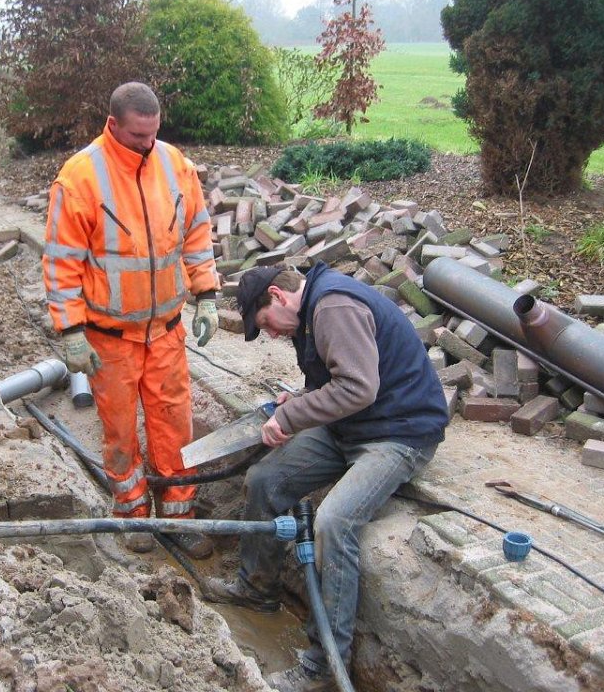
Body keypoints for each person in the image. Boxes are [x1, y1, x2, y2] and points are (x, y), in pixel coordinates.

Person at [207, 262, 449, 692]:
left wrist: (292, 414)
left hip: (398, 434)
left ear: (278, 299)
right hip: (352, 428)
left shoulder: (334, 306)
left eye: (265, 324)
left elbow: (358, 388)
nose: (272, 335)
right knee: (265, 481)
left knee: (334, 523)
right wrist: (299, 398)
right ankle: (256, 588)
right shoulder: (311, 312)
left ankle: (324, 663)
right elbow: (337, 383)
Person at [42, 82, 220, 559]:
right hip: (110, 339)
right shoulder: (80, 178)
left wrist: (206, 295)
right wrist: (71, 330)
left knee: (174, 427)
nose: (148, 145)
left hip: (165, 330)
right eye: (138, 136)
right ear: (113, 123)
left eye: (154, 134)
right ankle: (132, 513)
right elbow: (61, 262)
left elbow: (197, 233)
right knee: (119, 431)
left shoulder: (175, 165)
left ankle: (179, 516)